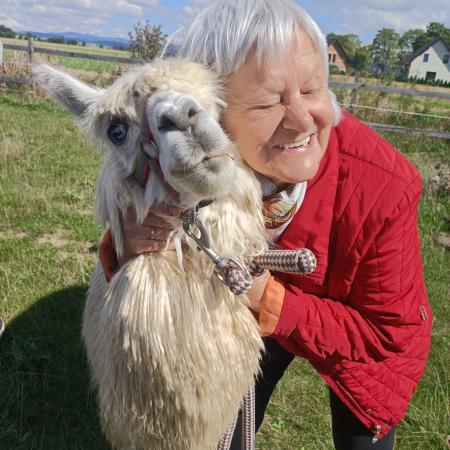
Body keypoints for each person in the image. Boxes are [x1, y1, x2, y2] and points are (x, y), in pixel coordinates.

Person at [98, 1, 432, 449]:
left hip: (356, 329)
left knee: (362, 433)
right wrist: (129, 241)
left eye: (313, 90)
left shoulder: (382, 187)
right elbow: (141, 205)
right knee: (224, 431)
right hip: (257, 313)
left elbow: (386, 335)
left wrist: (268, 297)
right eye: (268, 101)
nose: (302, 121)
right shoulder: (203, 161)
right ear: (211, 113)